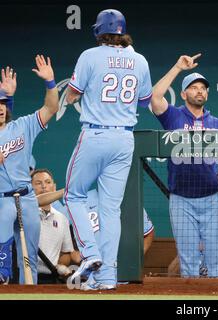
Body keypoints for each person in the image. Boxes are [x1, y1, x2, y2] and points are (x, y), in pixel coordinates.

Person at [64, 9, 152, 290]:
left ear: (99, 31)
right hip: (124, 139)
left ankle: (90, 253)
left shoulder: (90, 55)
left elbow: (72, 94)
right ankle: (108, 278)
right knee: (110, 210)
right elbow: (143, 101)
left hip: (96, 133)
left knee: (73, 195)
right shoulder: (139, 60)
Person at [150, 54, 218, 277]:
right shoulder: (173, 116)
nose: (199, 91)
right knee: (188, 261)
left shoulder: (216, 124)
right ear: (183, 93)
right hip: (181, 199)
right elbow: (155, 97)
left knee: (217, 259)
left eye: (203, 88)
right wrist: (178, 67)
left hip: (210, 199)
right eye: (194, 87)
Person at [0, 56, 58, 285]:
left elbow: (51, 107)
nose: (0, 109)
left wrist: (51, 82)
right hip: (2, 200)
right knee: (2, 264)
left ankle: (29, 294)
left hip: (26, 199)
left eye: (3, 104)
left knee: (29, 259)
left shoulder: (23, 125)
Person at [31, 169, 79, 284]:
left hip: (50, 279)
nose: (43, 186)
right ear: (30, 188)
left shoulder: (62, 219)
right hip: (24, 275)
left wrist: (60, 265)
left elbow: (66, 254)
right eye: (38, 183)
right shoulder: (23, 213)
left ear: (54, 187)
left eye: (48, 182)